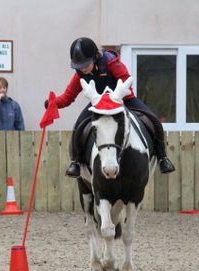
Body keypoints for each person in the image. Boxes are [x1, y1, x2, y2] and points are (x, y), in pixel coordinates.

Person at [47, 37, 175, 178]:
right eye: (79, 65)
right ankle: (76, 162)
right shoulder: (80, 73)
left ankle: (163, 158)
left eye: (85, 64)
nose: (82, 68)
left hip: (123, 100)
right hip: (99, 104)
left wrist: (115, 96)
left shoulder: (111, 62)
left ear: (95, 57)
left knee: (153, 120)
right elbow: (68, 96)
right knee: (79, 126)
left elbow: (126, 79)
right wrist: (53, 104)